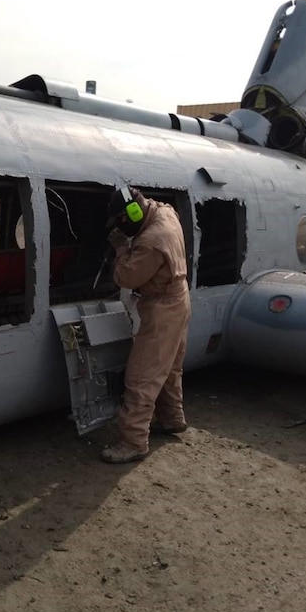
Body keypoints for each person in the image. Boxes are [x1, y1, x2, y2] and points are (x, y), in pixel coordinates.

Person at [101, 186, 191, 464]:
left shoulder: (151, 240)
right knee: (169, 366)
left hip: (162, 305)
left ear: (134, 212)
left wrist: (120, 248)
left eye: (123, 222)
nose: (123, 227)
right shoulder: (165, 212)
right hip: (179, 297)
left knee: (142, 376)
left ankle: (133, 441)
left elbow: (126, 277)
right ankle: (172, 417)